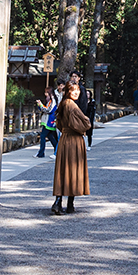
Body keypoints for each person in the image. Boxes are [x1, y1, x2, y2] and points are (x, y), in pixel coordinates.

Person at [51, 82, 92, 215]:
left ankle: (62, 202)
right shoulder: (72, 105)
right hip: (73, 140)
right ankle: (67, 203)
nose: (76, 93)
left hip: (65, 138)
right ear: (68, 91)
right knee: (72, 170)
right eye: (73, 90)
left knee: (63, 170)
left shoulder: (63, 104)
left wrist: (65, 129)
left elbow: (58, 123)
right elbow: (85, 123)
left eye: (78, 90)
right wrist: (83, 128)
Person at [36, 88, 59, 158]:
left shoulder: (53, 101)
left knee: (43, 136)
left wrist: (41, 105)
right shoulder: (50, 101)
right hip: (48, 121)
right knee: (50, 137)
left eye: (47, 93)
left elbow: (48, 110)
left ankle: (41, 153)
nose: (45, 94)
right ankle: (57, 150)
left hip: (49, 121)